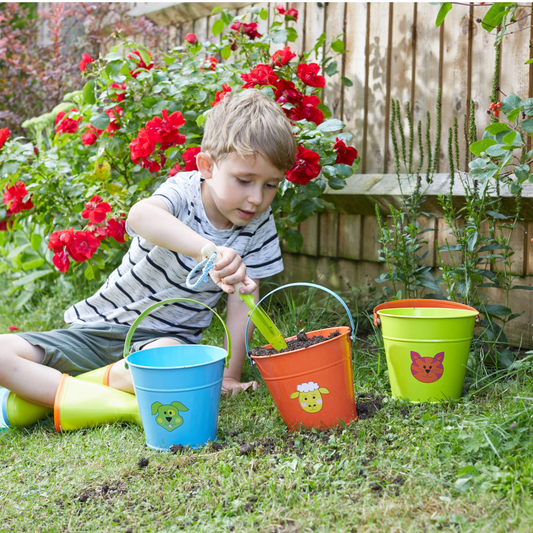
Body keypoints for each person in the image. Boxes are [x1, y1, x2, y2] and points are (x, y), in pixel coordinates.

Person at [0, 89, 296, 431]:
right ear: (207, 166)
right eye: (244, 180)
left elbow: (244, 302)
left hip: (164, 344)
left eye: (271, 185)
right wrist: (207, 250)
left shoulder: (258, 225)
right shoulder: (184, 191)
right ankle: (113, 399)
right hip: (98, 329)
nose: (257, 198)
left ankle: (61, 391)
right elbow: (141, 216)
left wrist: (229, 375)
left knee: (175, 369)